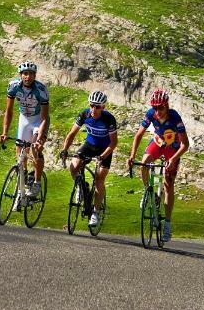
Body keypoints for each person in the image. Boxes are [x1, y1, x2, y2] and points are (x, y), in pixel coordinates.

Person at [127, 88, 189, 242]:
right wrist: (132, 156)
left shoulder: (175, 117)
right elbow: (139, 135)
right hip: (158, 142)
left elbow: (185, 145)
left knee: (168, 185)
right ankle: (148, 191)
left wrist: (173, 159)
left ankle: (167, 223)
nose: (157, 111)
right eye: (155, 108)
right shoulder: (150, 114)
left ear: (166, 106)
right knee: (144, 163)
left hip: (173, 149)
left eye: (160, 108)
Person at [60, 90, 118, 228]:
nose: (93, 109)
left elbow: (114, 142)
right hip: (89, 145)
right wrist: (65, 150)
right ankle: (82, 186)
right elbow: (71, 134)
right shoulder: (84, 114)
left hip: (104, 149)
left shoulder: (108, 119)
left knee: (99, 179)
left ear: (103, 107)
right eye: (92, 105)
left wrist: (103, 155)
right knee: (74, 166)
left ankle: (96, 212)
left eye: (97, 106)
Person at [0, 61, 49, 197]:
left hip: (39, 120)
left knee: (34, 149)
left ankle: (37, 182)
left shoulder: (41, 89)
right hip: (24, 119)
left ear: (35, 75)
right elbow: (8, 111)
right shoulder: (13, 86)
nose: (28, 77)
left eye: (31, 74)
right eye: (25, 74)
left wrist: (39, 138)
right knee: (20, 150)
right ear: (21, 75)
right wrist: (4, 133)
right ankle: (25, 175)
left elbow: (45, 117)